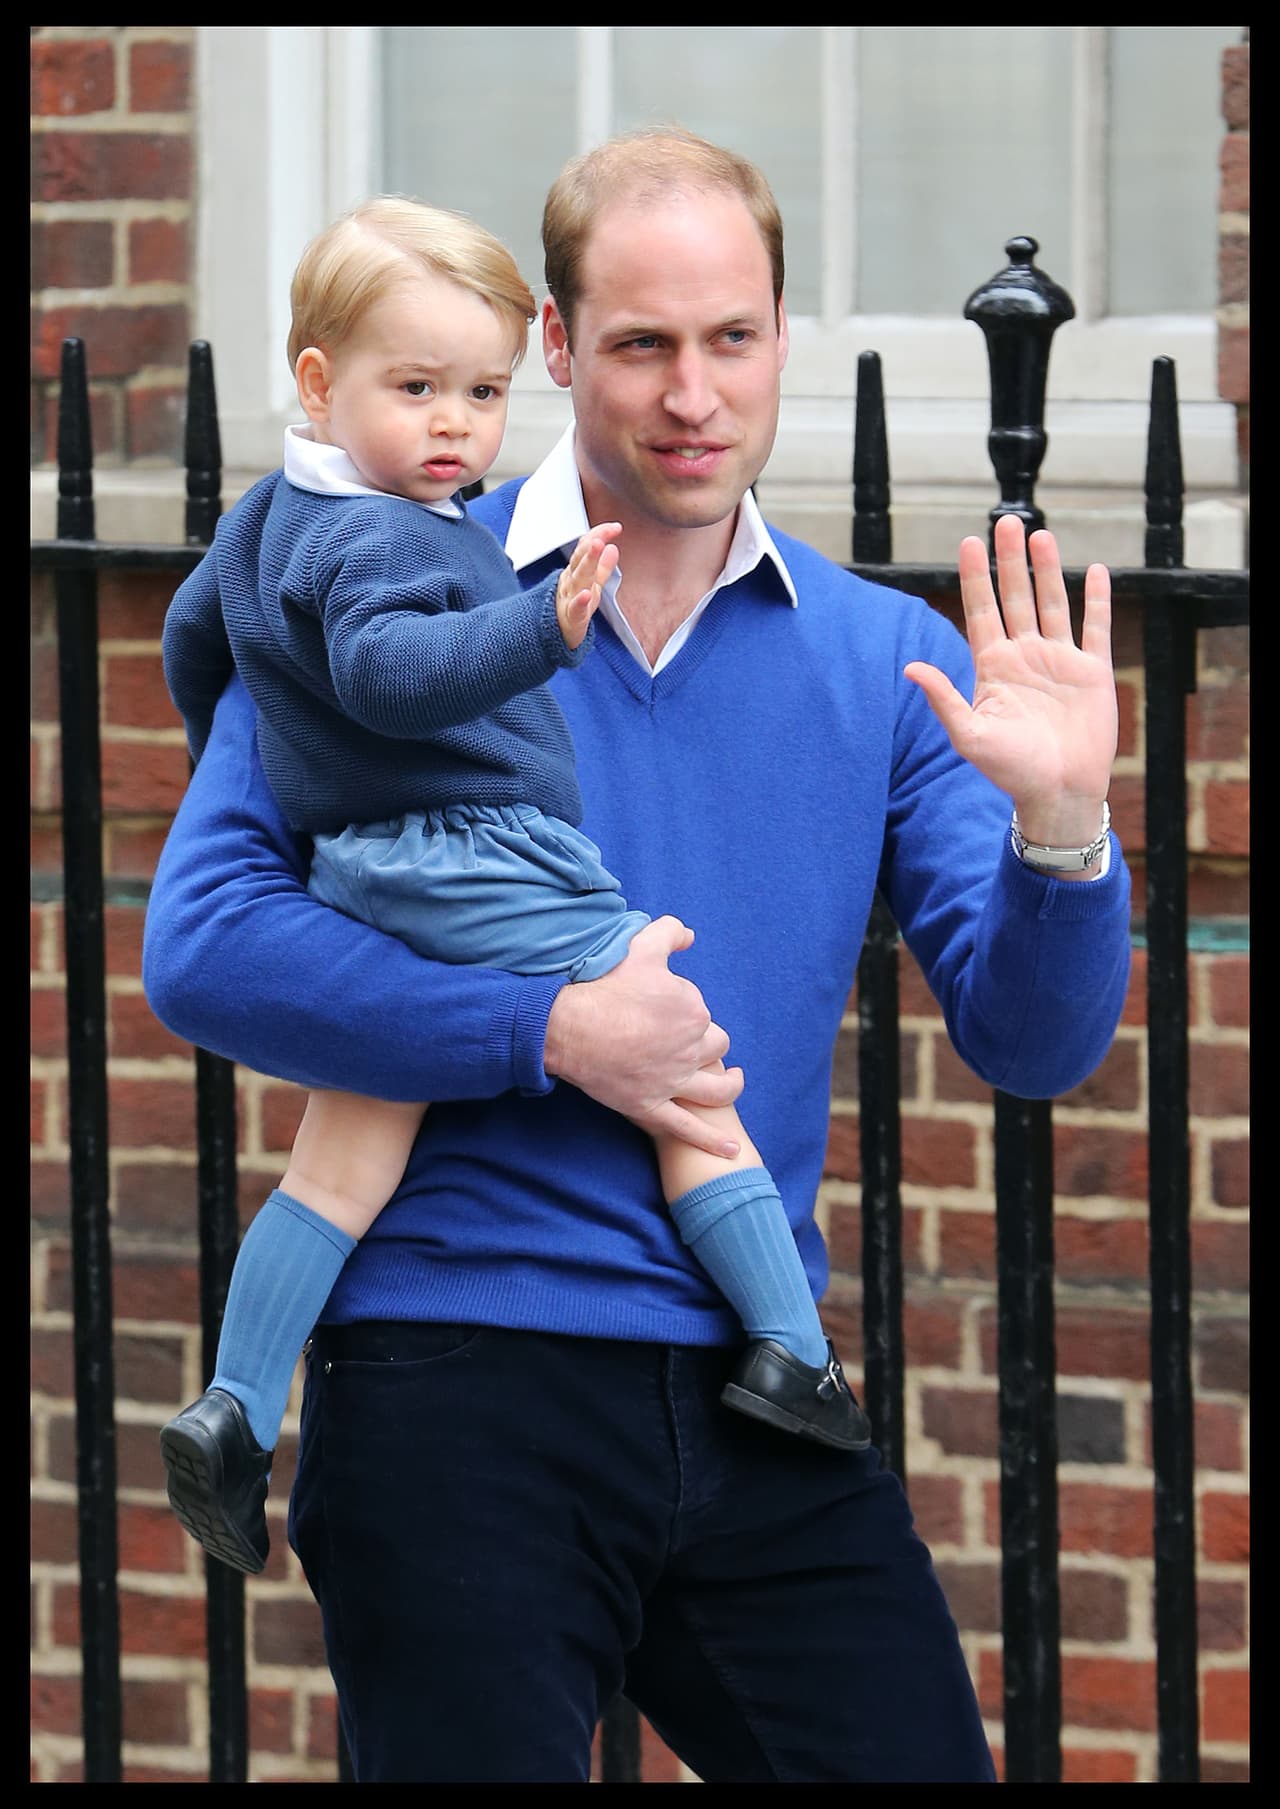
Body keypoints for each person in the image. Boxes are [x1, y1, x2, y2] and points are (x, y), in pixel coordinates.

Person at [142, 127, 1131, 1783]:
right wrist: (547, 1029)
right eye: (643, 344)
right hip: (457, 1377)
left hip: (757, 1390)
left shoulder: (888, 658)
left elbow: (1032, 1043)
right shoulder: (377, 597)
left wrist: (1063, 828)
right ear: (553, 346)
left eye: (732, 338)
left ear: (783, 339)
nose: (694, 395)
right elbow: (208, 949)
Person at [156, 195, 869, 1578]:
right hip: (482, 848)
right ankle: (792, 1350)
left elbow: (202, 643)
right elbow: (389, 675)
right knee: (686, 1067)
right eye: (416, 389)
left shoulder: (265, 518)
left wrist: (272, 769)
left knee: (345, 1152)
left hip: (366, 865)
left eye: (479, 395)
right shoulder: (398, 536)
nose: (454, 431)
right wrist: (536, 630)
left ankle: (236, 1401)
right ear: (319, 380)